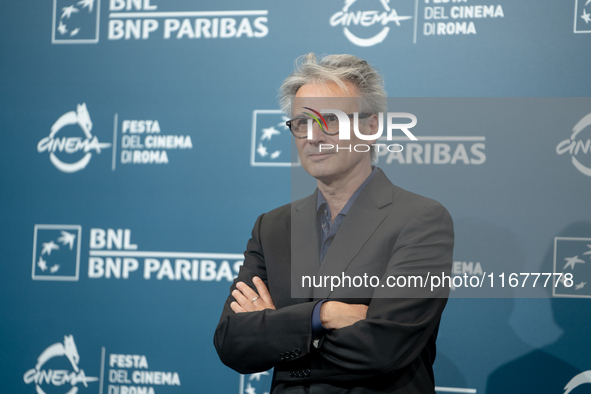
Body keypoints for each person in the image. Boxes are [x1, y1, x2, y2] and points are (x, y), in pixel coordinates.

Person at [213, 53, 454, 393]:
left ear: (370, 127)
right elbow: (232, 341)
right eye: (301, 122)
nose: (313, 135)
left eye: (330, 119)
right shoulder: (272, 226)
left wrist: (277, 329)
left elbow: (381, 348)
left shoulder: (420, 220)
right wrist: (324, 315)